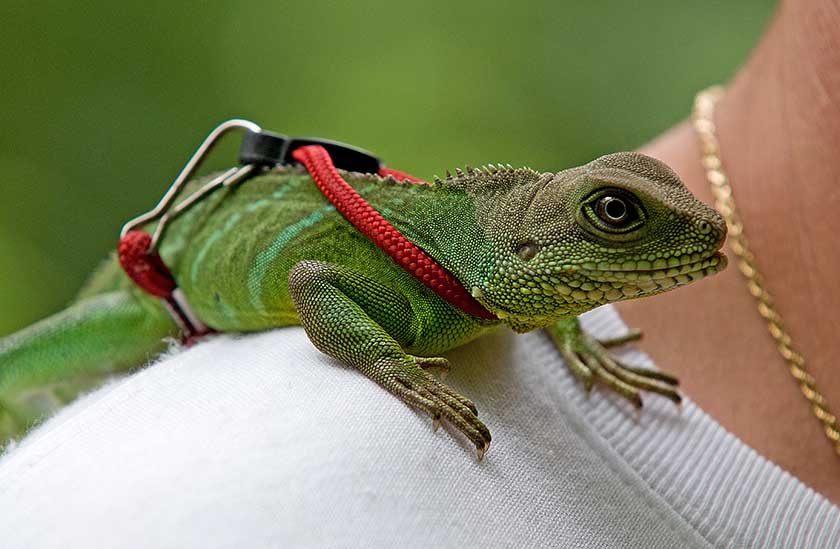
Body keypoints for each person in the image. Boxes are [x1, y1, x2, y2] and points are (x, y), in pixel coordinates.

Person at [0, 0, 837, 546]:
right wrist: (391, 365)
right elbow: (315, 283)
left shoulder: (504, 280)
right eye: (615, 216)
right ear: (532, 248)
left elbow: (547, 285)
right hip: (162, 289)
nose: (688, 229)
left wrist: (577, 338)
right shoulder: (427, 307)